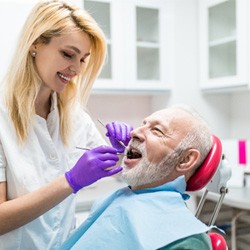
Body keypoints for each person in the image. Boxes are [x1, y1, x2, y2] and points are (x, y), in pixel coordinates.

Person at [0, 1, 132, 249]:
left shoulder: (73, 114)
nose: (76, 69)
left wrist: (124, 151)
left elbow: (121, 171)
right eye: (68, 54)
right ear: (35, 43)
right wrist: (70, 181)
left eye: (83, 59)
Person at [60, 105, 215, 250]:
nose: (134, 132)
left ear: (185, 159)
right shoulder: (120, 199)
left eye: (156, 131)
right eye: (143, 124)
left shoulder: (186, 241)